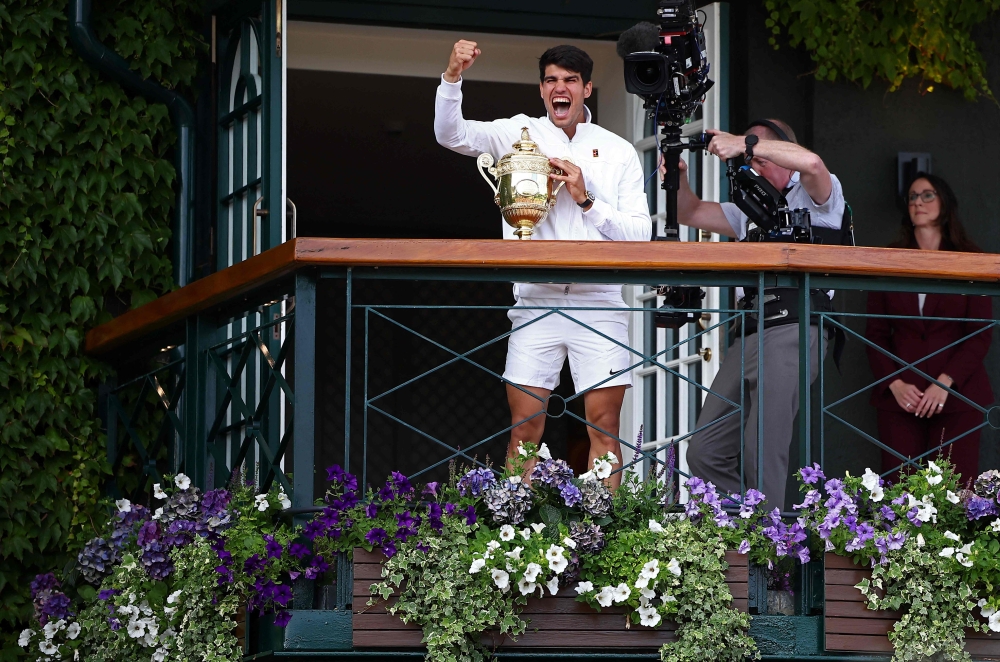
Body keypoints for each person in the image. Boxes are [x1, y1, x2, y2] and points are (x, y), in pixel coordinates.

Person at [434, 40, 652, 487]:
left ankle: (606, 541)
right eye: (552, 79)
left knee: (604, 430)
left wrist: (586, 198)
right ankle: (517, 542)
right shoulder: (518, 132)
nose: (561, 88)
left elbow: (640, 235)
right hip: (536, 299)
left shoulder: (618, 151)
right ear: (541, 89)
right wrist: (452, 75)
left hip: (600, 300)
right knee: (524, 430)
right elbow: (450, 135)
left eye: (571, 80)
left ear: (587, 89)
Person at [671, 119, 846, 507]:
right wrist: (679, 176)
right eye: (750, 158)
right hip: (749, 332)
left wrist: (744, 144)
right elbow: (691, 211)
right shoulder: (750, 209)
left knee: (762, 447)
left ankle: (767, 556)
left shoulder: (820, 194)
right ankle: (740, 528)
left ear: (783, 154)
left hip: (795, 325)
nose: (752, 164)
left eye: (760, 155)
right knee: (704, 450)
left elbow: (813, 164)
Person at [865, 172, 992, 482]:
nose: (917, 202)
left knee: (955, 492)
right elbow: (875, 333)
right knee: (899, 492)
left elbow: (980, 333)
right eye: (912, 197)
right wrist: (894, 383)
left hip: (958, 395)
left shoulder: (971, 260)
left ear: (944, 203)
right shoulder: (890, 259)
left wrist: (944, 382)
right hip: (901, 397)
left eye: (926, 195)